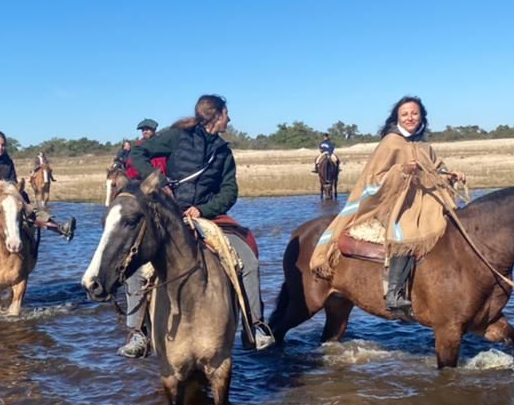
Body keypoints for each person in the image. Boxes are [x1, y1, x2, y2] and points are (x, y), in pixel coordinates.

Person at [122, 94, 273, 357]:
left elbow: (230, 192)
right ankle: (138, 333)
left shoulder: (223, 152)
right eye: (227, 113)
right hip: (171, 216)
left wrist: (203, 209)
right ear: (217, 115)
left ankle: (254, 327)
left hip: (209, 218)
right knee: (136, 264)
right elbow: (138, 152)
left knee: (247, 261)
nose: (230, 118)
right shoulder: (177, 136)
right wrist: (158, 181)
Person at [309, 96, 466, 314]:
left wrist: (451, 175)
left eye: (414, 113)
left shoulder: (424, 145)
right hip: (393, 202)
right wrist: (401, 171)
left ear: (421, 116)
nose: (410, 118)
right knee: (407, 228)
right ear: (397, 118)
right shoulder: (390, 143)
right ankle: (394, 293)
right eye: (405, 114)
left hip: (421, 199)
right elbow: (374, 179)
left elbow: (436, 170)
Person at [0, 132, 76, 270]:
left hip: (9, 193)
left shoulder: (8, 161)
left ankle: (59, 228)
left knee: (30, 209)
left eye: (3, 145)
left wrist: (9, 186)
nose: (0, 147)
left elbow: (13, 179)